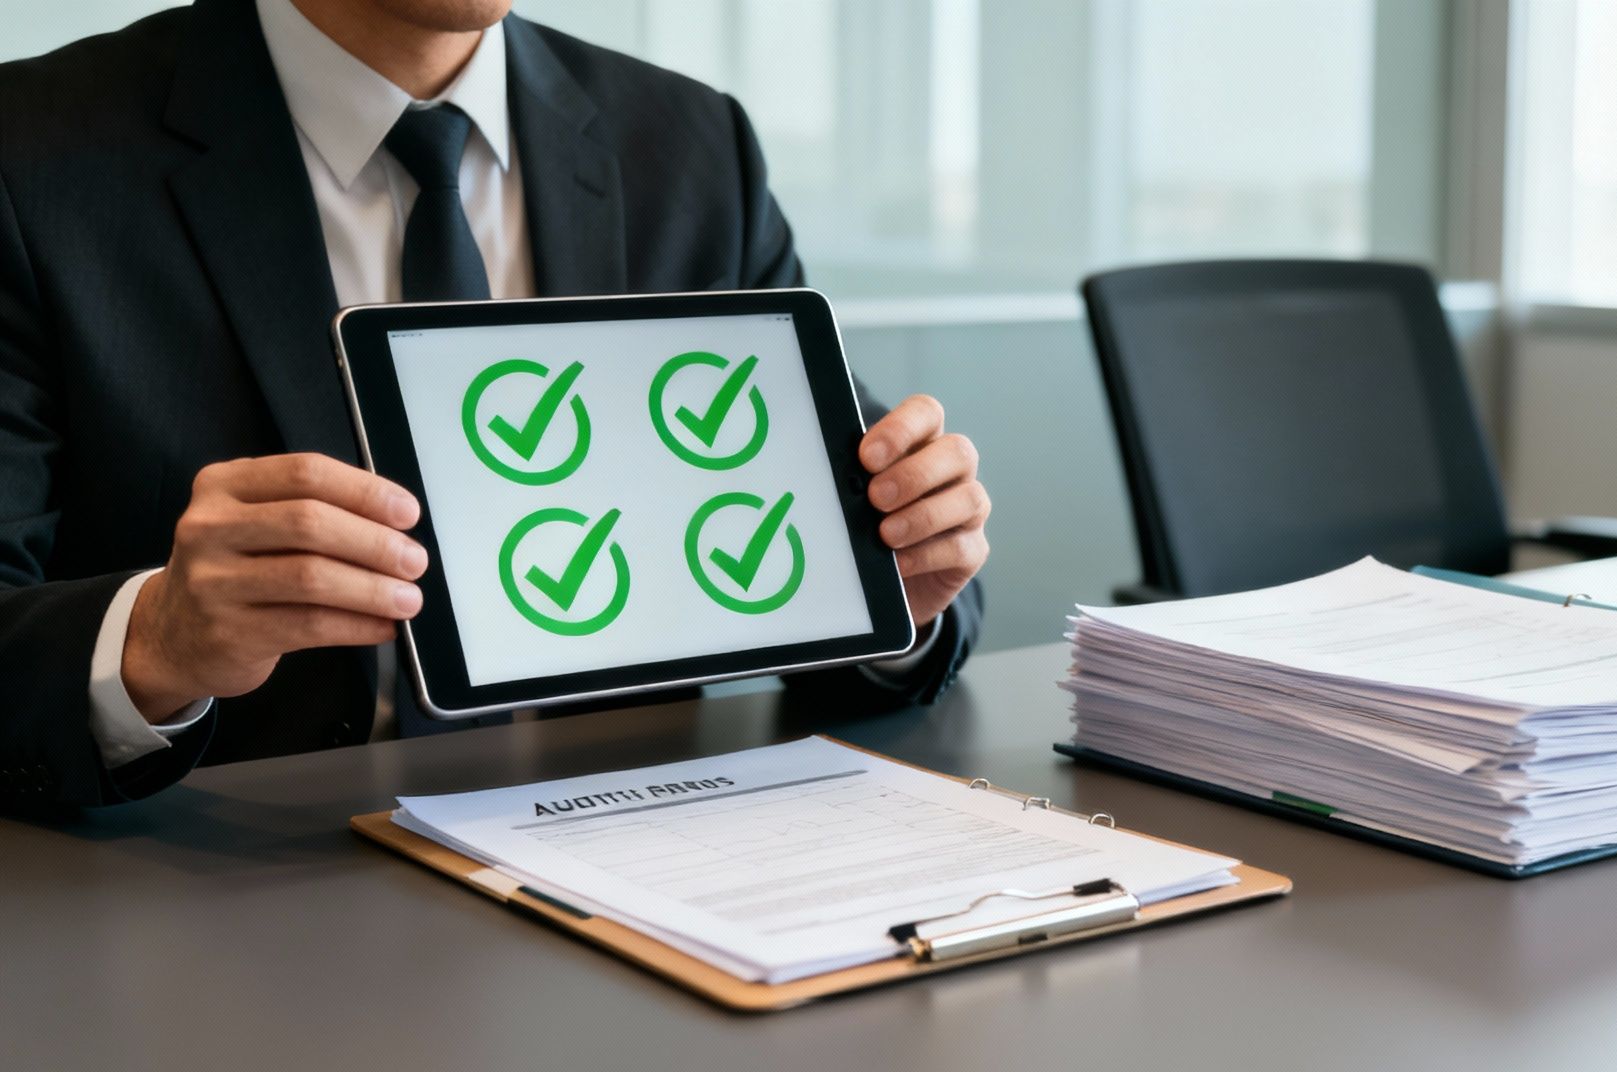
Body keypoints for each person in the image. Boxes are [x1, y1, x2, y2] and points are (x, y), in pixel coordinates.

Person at [0, 0, 991, 808]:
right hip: (231, 887)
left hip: (651, 854)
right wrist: (156, 642)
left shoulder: (690, 147)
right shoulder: (35, 157)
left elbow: (854, 575)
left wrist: (888, 584)